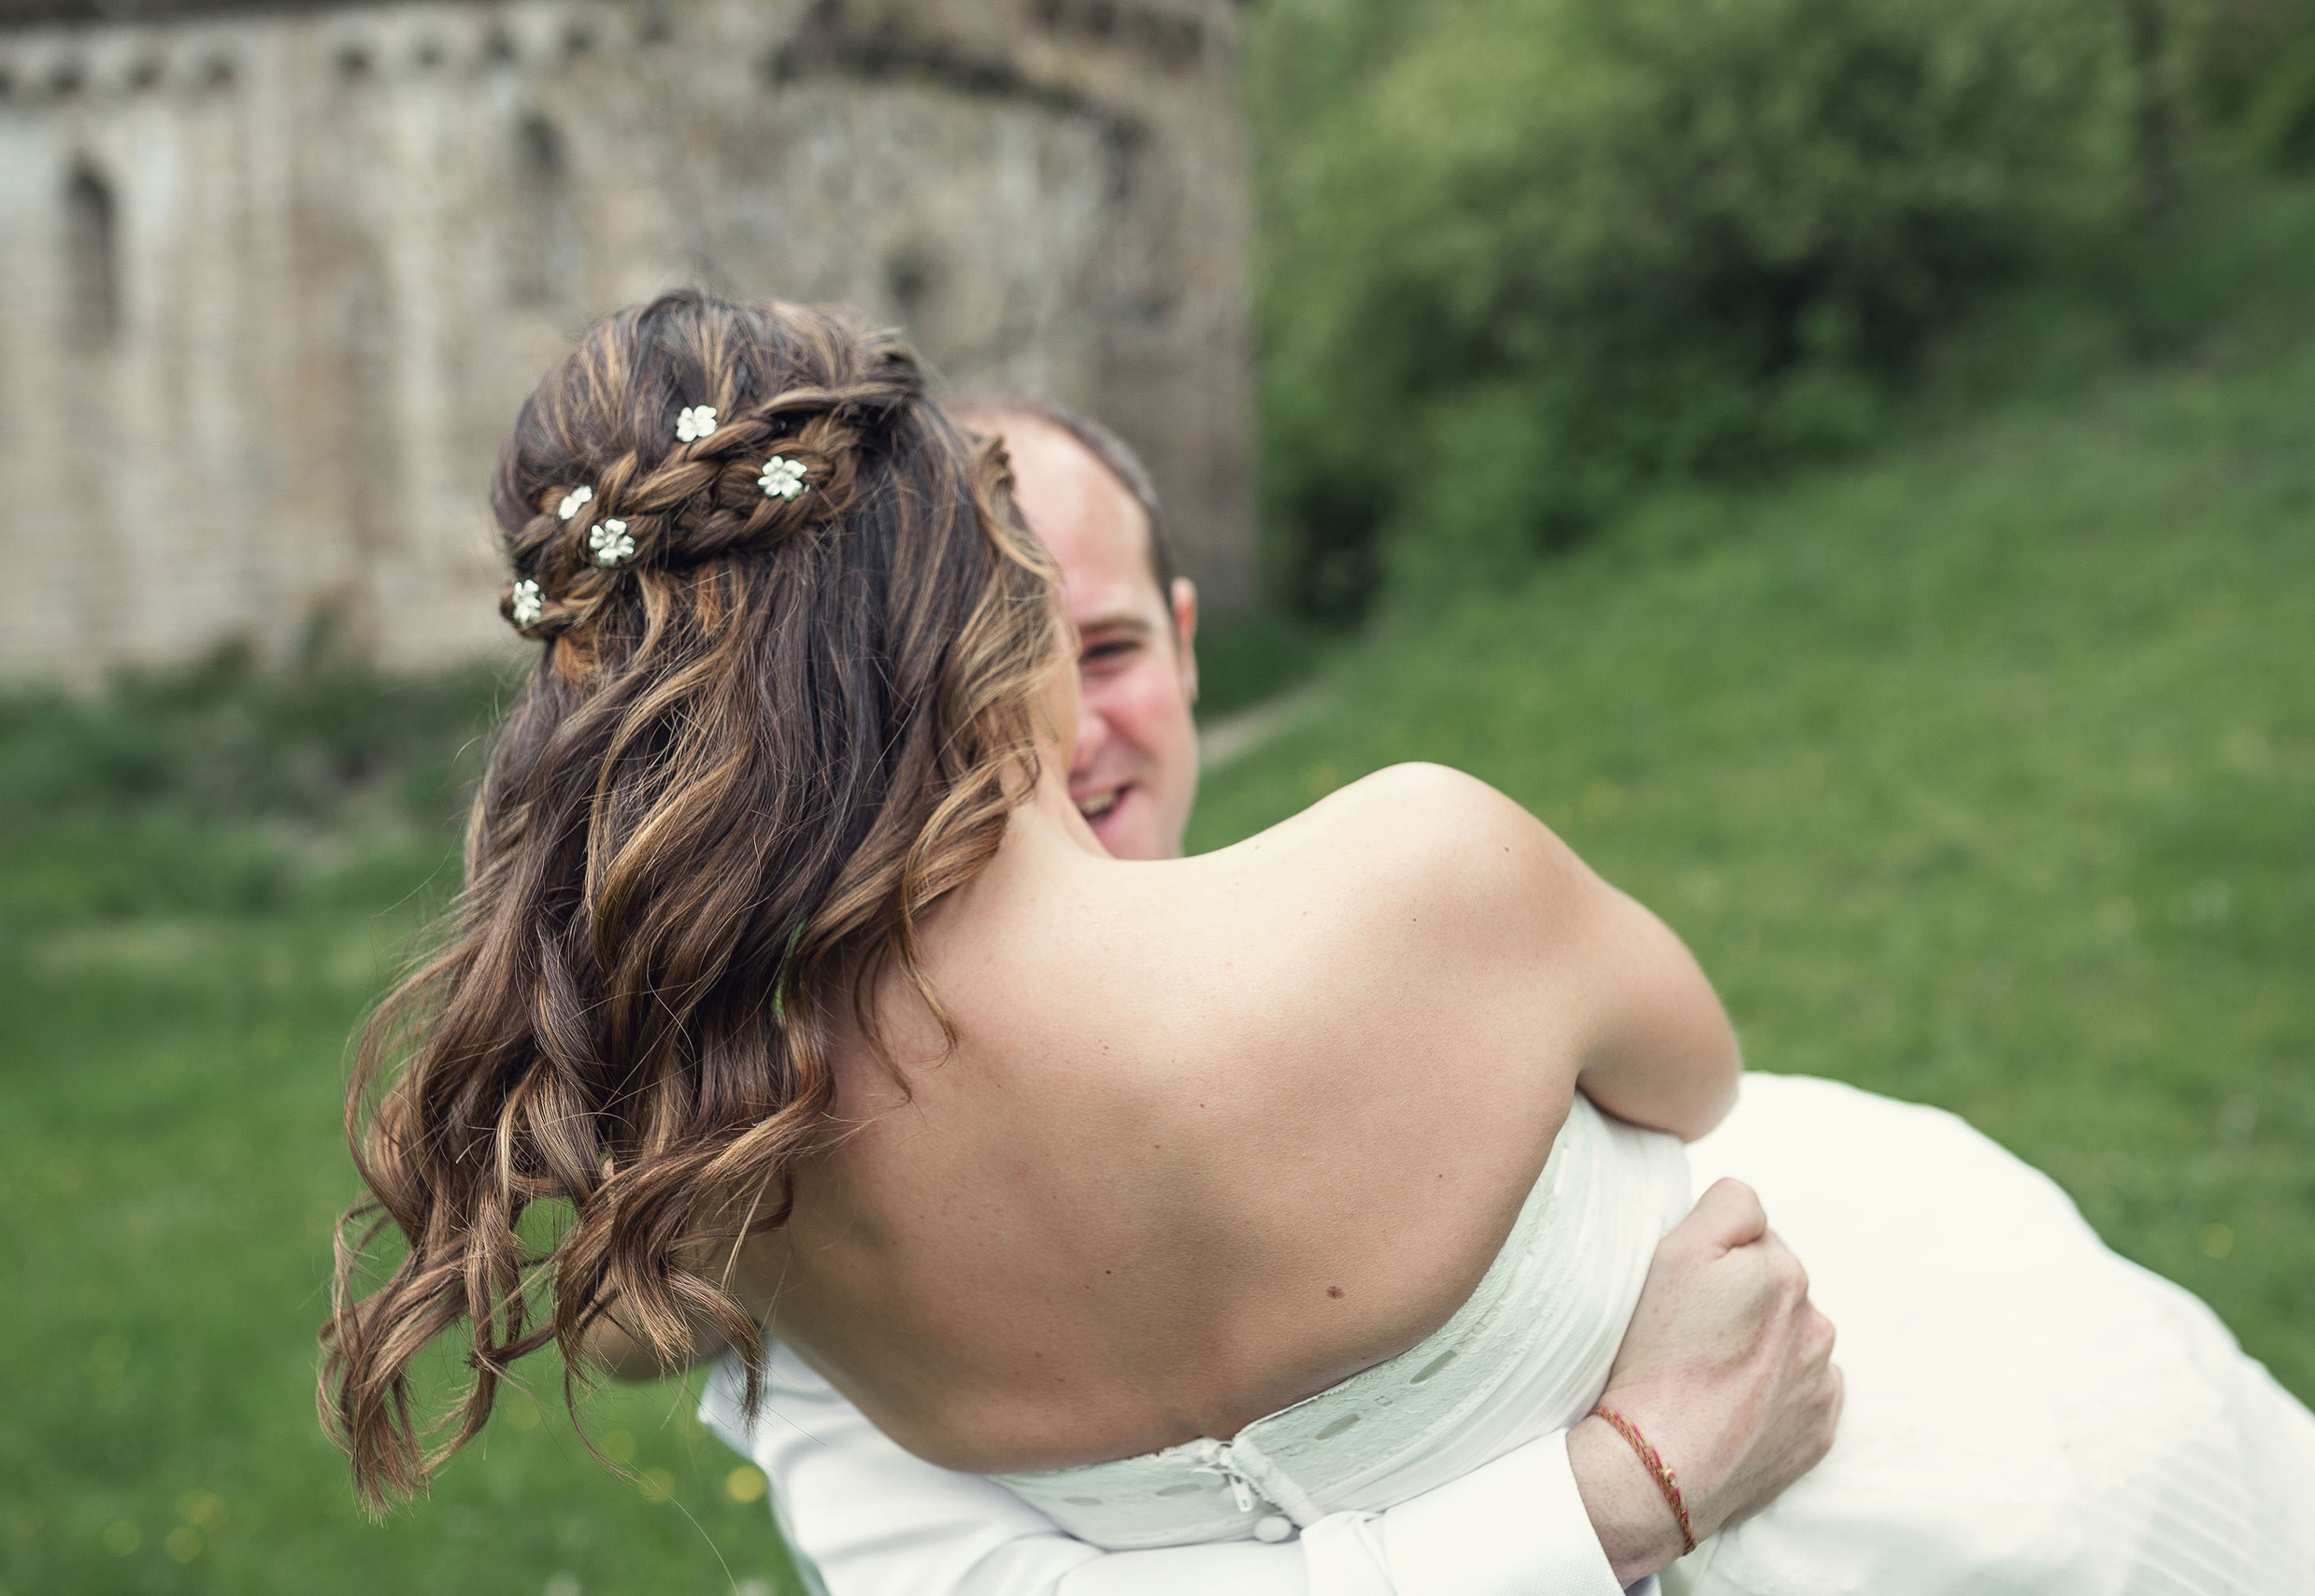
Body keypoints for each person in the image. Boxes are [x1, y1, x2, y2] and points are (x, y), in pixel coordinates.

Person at [322, 295, 2315, 1596]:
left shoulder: (718, 1193)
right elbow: (1690, 1079)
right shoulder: (1417, 876)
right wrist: (1611, 1478)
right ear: (971, 605)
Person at [668, 389, 1842, 1595]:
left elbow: (1713, 1103)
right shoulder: (779, 1159)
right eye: (1021, 645)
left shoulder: (1429, 905)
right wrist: (1627, 1498)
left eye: (1106, 647)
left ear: (1186, 644)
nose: (1067, 734)